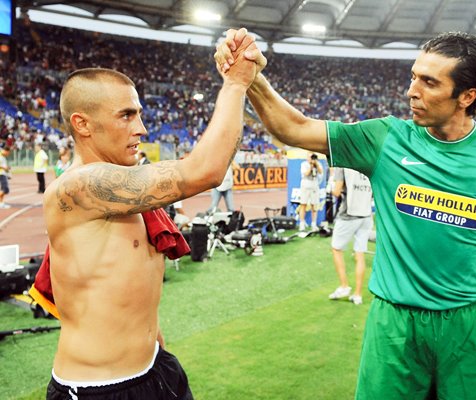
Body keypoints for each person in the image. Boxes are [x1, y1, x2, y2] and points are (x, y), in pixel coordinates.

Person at [215, 30, 476, 399]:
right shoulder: (384, 139)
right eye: (414, 77)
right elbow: (293, 129)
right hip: (394, 327)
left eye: (429, 82)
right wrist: (252, 77)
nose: (412, 91)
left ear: (467, 95)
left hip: (471, 330)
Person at [40, 28, 259, 400]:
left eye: (139, 113)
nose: (141, 127)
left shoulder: (125, 192)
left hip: (155, 368)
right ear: (82, 124)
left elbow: (132, 293)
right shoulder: (78, 188)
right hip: (99, 389)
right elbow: (205, 170)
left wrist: (156, 351)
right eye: (126, 115)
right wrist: (236, 83)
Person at [328, 167, 373, 305]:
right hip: (366, 215)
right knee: (360, 254)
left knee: (336, 249)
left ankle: (344, 286)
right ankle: (357, 295)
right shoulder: (368, 164)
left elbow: (336, 191)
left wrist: (331, 183)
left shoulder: (342, 167)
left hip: (348, 215)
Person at [298, 152, 323, 231]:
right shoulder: (304, 164)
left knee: (314, 205)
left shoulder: (317, 164)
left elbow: (321, 172)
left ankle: (314, 224)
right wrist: (311, 166)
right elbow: (306, 173)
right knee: (303, 204)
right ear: (307, 158)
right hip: (305, 185)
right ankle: (302, 223)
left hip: (314, 185)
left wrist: (316, 164)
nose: (311, 159)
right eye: (310, 157)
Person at [0, 145, 11, 209]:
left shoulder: (3, 157)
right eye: (8, 153)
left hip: (3, 173)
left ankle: (1, 203)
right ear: (6, 151)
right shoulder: (0, 156)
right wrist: (5, 168)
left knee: (3, 189)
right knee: (5, 189)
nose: (8, 154)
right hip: (1, 174)